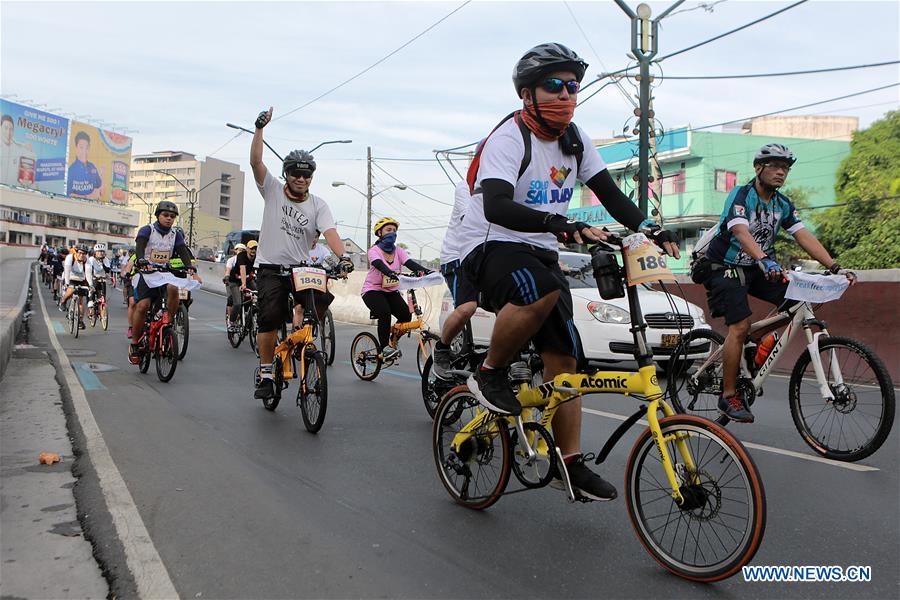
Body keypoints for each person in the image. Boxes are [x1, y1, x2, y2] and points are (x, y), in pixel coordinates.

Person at [457, 43, 680, 501]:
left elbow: (610, 194)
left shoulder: (574, 140)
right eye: (553, 86)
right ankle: (491, 372)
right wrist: (561, 224)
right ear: (527, 95)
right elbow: (497, 205)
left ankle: (570, 463)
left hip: (538, 248)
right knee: (537, 290)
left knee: (566, 364)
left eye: (572, 86)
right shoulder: (508, 139)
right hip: (490, 243)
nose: (565, 95)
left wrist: (649, 226)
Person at [703, 143, 856, 423]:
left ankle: (756, 341)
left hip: (759, 268)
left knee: (804, 300)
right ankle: (728, 396)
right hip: (724, 267)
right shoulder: (742, 196)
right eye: (774, 166)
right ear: (758, 168)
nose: (781, 172)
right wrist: (764, 258)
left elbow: (803, 235)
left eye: (785, 168)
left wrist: (834, 266)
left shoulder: (782, 204)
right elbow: (740, 230)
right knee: (738, 326)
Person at [250, 107, 354, 401]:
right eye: (295, 173)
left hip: (300, 269)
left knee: (322, 299)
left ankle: (301, 335)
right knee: (269, 317)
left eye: (306, 174)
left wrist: (343, 257)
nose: (301, 178)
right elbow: (256, 161)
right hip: (271, 267)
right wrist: (259, 129)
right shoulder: (271, 189)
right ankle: (268, 371)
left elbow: (331, 233)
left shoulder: (319, 205)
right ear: (286, 174)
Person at [128, 201, 199, 364]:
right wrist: (141, 259)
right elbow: (140, 246)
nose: (169, 219)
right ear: (158, 216)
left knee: (174, 288)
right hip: (146, 273)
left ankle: (168, 321)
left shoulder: (176, 235)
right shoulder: (147, 230)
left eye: (172, 217)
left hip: (164, 273)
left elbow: (182, 252)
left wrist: (190, 267)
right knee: (143, 306)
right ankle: (134, 344)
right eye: (165, 215)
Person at [361, 218, 432, 360]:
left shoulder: (398, 251)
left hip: (391, 291)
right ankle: (384, 348)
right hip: (372, 291)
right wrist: (389, 272)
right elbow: (379, 263)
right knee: (384, 312)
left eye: (394, 231)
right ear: (379, 233)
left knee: (406, 315)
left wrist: (426, 271)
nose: (392, 233)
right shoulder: (373, 250)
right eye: (388, 230)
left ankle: (393, 339)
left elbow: (410, 263)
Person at [432, 180, 478, 378]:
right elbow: (471, 218)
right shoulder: (465, 187)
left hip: (483, 257)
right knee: (468, 307)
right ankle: (442, 347)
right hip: (458, 257)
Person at [227, 241, 257, 331]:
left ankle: (250, 316)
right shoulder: (241, 256)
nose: (254, 251)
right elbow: (242, 269)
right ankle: (231, 322)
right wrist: (243, 284)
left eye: (255, 249)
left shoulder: (258, 257)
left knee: (258, 296)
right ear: (247, 249)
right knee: (237, 303)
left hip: (248, 279)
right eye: (251, 248)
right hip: (235, 280)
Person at [59, 244, 91, 328]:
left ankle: (80, 320)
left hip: (81, 279)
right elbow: (67, 271)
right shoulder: (70, 258)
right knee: (70, 291)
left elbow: (88, 274)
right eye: (80, 253)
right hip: (70, 277)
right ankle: (63, 301)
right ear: (76, 252)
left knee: (81, 300)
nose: (81, 255)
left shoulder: (87, 261)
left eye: (84, 253)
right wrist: (66, 283)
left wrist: (90, 285)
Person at [0, 113, 35, 188]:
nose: (8, 133)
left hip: (13, 190)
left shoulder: (19, 149)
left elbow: (31, 165)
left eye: (11, 129)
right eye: (5, 128)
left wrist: (30, 151)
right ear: (0, 128)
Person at [67, 131, 103, 200]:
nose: (84, 151)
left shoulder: (92, 167)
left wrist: (103, 175)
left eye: (87, 148)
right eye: (81, 147)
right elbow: (69, 194)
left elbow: (100, 188)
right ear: (76, 147)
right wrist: (86, 197)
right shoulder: (71, 171)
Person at [224, 243, 247, 327]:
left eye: (243, 250)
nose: (240, 252)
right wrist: (227, 277)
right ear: (235, 251)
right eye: (239, 250)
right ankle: (231, 319)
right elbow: (228, 270)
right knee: (231, 299)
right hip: (232, 281)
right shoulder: (231, 260)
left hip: (243, 281)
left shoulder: (247, 260)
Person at [86, 243, 111, 314]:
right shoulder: (91, 259)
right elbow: (88, 272)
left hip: (102, 279)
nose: (101, 253)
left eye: (103, 251)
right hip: (93, 278)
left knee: (103, 297)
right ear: (95, 252)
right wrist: (90, 282)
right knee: (92, 295)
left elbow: (107, 270)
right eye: (99, 251)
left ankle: (102, 312)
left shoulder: (105, 259)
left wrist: (102, 263)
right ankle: (91, 309)